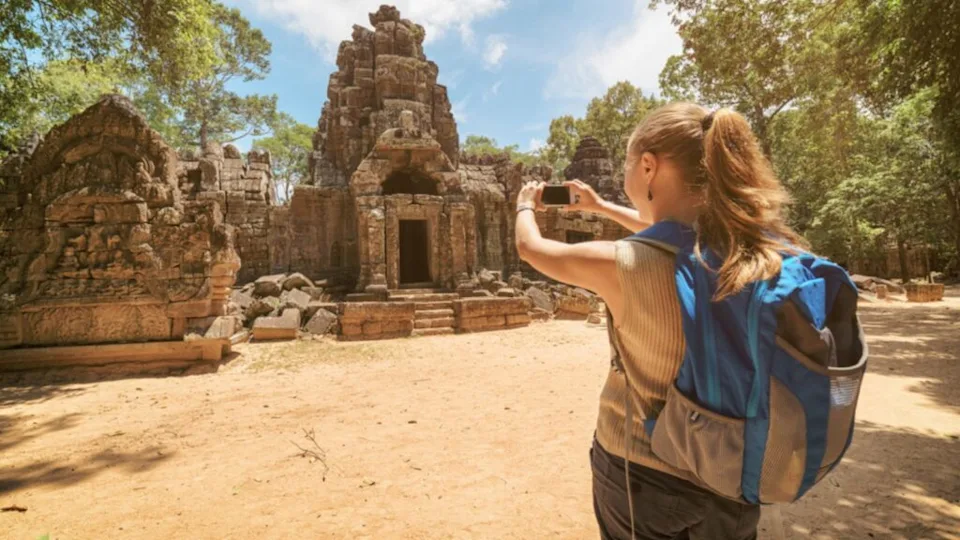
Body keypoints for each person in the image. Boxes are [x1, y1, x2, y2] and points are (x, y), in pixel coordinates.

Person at [514, 102, 809, 539]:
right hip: (734, 474)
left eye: (629, 163)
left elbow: (532, 250)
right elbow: (677, 233)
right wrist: (602, 208)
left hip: (641, 474)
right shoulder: (763, 255)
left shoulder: (626, 265)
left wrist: (523, 207)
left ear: (648, 167)